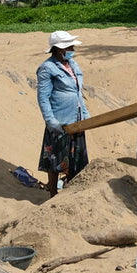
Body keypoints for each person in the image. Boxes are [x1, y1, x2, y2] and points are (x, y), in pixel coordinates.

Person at [37, 30, 91, 197]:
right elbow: (43, 98)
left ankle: (71, 192)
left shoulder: (73, 65)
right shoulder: (47, 68)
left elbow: (78, 92)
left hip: (77, 119)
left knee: (76, 159)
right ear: (60, 49)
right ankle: (53, 193)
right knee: (55, 159)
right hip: (60, 120)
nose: (72, 50)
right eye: (69, 47)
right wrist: (51, 121)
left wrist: (85, 113)